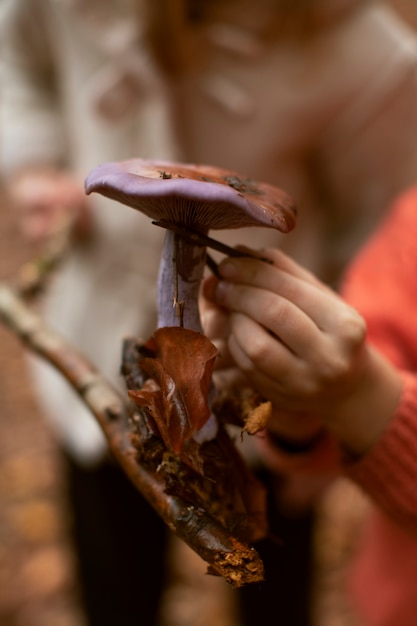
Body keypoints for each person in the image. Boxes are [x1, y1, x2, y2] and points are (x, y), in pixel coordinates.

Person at [2, 1, 417, 624]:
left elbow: (385, 235)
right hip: (102, 374)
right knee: (116, 580)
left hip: (262, 406)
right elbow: (16, 61)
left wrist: (325, 403)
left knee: (268, 586)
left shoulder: (363, 51)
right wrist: (35, 162)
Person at [201, 182, 417, 626]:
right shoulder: (412, 227)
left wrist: (360, 395)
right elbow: (377, 344)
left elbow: (364, 388)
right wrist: (303, 418)